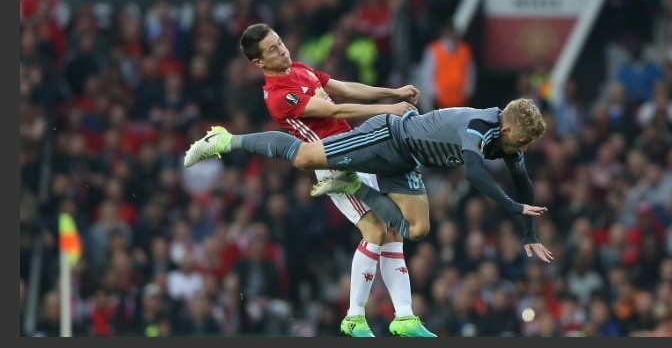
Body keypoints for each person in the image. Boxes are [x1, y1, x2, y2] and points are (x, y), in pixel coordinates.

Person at [233, 23, 435, 337]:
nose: (282, 50)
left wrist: (391, 91)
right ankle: (354, 317)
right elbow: (333, 109)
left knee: (393, 228)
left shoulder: (298, 69)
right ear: (258, 63)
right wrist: (388, 109)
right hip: (334, 163)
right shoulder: (278, 95)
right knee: (375, 229)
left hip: (356, 149)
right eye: (272, 49)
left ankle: (405, 317)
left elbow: (342, 89)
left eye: (280, 42)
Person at [184, 97, 555, 264]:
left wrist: (529, 234)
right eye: (521, 141)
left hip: (407, 161)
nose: (520, 149)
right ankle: (225, 139)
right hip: (387, 138)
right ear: (507, 127)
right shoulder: (479, 126)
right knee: (305, 157)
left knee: (419, 229)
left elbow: (523, 184)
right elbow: (474, 173)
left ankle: (352, 185)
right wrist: (511, 206)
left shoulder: (508, 142)